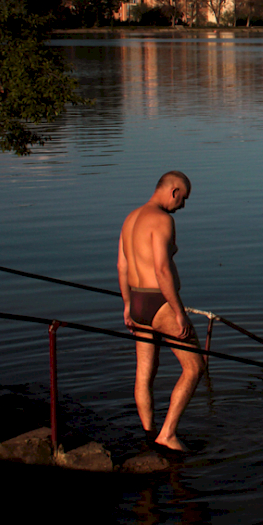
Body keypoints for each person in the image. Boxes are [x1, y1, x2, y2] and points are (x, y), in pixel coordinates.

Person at [117, 171, 203, 452]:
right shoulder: (163, 220)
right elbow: (162, 269)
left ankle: (148, 434)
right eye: (184, 199)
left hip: (138, 303)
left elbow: (122, 266)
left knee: (144, 372)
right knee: (194, 367)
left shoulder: (130, 218)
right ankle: (167, 434)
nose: (183, 206)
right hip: (160, 303)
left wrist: (128, 305)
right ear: (174, 191)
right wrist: (178, 312)